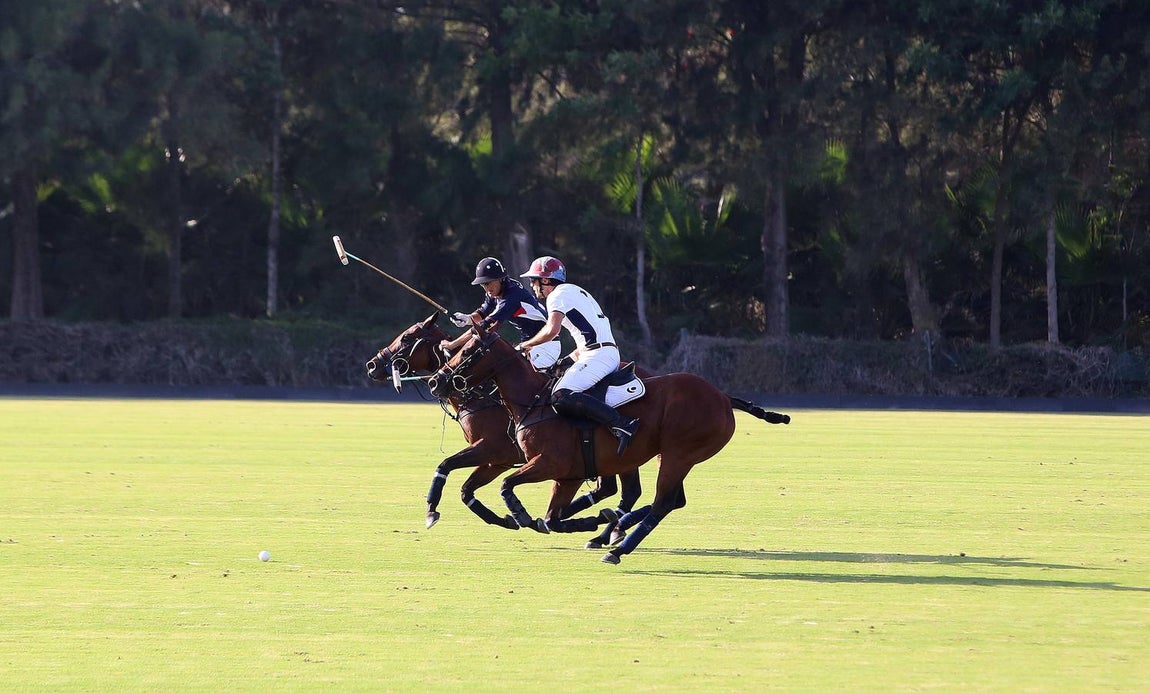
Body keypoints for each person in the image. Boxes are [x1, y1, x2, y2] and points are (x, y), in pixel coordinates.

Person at [515, 255, 639, 455]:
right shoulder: (575, 292)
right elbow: (587, 340)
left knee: (560, 396)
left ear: (545, 280)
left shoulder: (556, 295)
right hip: (600, 352)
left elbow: (551, 331)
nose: (532, 285)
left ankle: (622, 424)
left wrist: (525, 346)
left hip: (598, 356)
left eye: (534, 280)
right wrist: (564, 362)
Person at [440, 256, 560, 370]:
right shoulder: (495, 291)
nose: (487, 288)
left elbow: (483, 326)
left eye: (488, 283)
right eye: (483, 284)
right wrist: (467, 318)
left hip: (547, 345)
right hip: (528, 344)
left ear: (501, 279)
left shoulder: (511, 296)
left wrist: (453, 344)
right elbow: (482, 314)